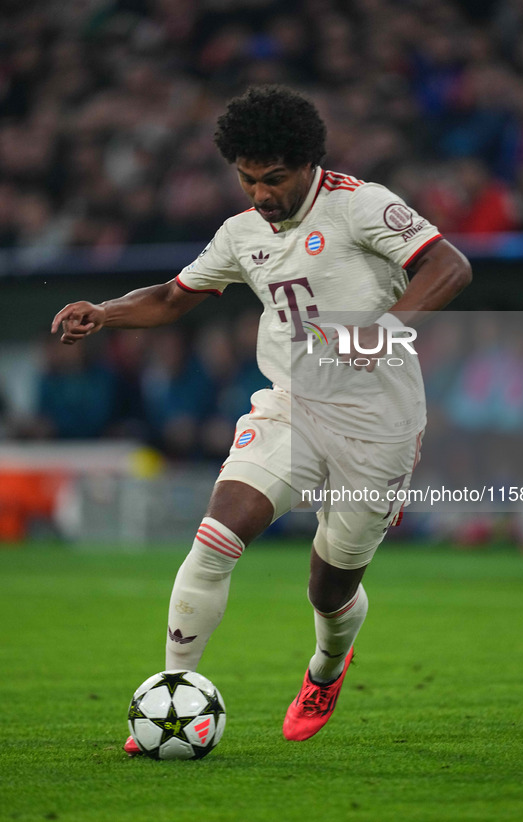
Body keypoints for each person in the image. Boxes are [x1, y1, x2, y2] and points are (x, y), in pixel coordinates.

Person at [51, 85, 471, 748]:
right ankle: (172, 695)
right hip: (292, 404)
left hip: (377, 423)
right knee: (217, 535)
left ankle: (325, 668)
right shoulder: (239, 234)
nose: (260, 194)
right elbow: (169, 297)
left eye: (273, 179)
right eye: (247, 180)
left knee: (329, 586)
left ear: (306, 163)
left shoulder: (361, 205)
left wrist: (381, 332)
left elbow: (449, 266)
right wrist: (104, 312)